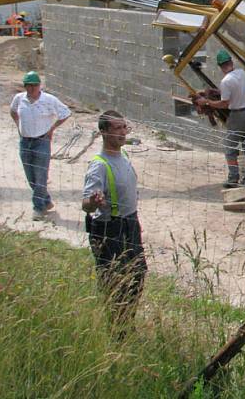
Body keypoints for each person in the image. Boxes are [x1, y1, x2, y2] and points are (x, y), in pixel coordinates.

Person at [82, 110, 147, 334]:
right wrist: (92, 201)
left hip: (130, 223)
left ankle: (127, 321)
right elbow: (87, 206)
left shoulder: (124, 157)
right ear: (103, 133)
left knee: (137, 273)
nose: (122, 133)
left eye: (124, 128)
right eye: (117, 129)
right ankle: (115, 327)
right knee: (114, 278)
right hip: (110, 227)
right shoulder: (99, 165)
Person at [9, 71, 71, 220]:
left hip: (41, 141)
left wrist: (52, 128)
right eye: (28, 86)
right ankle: (46, 200)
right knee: (31, 176)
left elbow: (65, 112)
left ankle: (38, 208)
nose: (31, 89)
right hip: (25, 141)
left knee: (41, 175)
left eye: (34, 86)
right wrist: (18, 125)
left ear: (39, 86)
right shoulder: (19, 98)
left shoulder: (49, 100)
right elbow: (12, 111)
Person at [196, 49, 245, 187]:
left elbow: (225, 104)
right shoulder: (242, 73)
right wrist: (220, 92)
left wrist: (206, 102)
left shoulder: (226, 81)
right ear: (231, 62)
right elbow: (237, 90)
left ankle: (233, 178)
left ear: (220, 66)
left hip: (237, 116)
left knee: (230, 149)